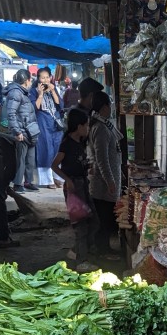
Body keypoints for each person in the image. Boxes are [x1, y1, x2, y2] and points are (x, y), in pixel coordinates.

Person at [51, 109, 99, 273]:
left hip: (83, 183)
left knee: (94, 221)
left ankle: (76, 251)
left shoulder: (80, 142)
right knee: (81, 225)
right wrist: (68, 180)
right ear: (79, 126)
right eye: (86, 125)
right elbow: (54, 165)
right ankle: (81, 261)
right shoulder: (67, 144)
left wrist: (88, 167)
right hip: (74, 187)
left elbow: (80, 162)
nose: (88, 129)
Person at [88, 91, 122, 258]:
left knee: (106, 217)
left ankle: (104, 249)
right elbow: (102, 158)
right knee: (104, 219)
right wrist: (110, 181)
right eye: (109, 106)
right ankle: (102, 251)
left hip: (107, 179)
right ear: (103, 108)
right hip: (102, 183)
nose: (111, 110)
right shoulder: (100, 128)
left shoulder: (103, 125)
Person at [4, 69, 39, 193]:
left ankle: (28, 182)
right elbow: (11, 113)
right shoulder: (15, 93)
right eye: (30, 80)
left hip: (30, 131)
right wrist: (17, 131)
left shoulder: (23, 92)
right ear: (27, 80)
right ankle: (18, 184)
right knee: (21, 160)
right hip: (22, 132)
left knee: (30, 159)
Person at [30, 68, 64, 189]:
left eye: (47, 77)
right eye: (42, 77)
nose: (45, 80)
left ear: (50, 77)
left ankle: (57, 177)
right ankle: (47, 180)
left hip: (55, 123)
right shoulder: (33, 91)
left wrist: (53, 91)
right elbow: (34, 108)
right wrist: (40, 94)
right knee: (46, 150)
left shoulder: (55, 88)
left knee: (57, 150)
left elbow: (60, 105)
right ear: (38, 79)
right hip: (43, 123)